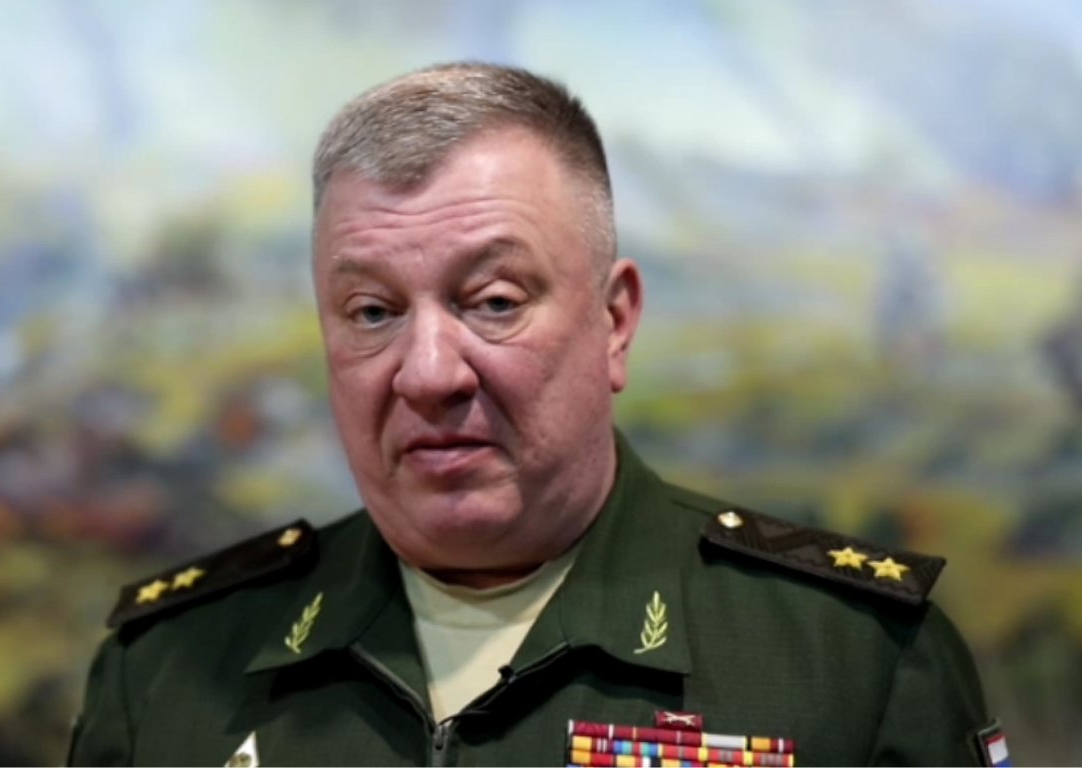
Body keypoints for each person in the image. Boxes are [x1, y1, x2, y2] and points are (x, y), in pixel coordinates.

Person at [68, 62, 1007, 767]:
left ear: (614, 321)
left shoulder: (850, 661)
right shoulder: (168, 672)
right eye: (372, 312)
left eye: (494, 301)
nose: (428, 374)